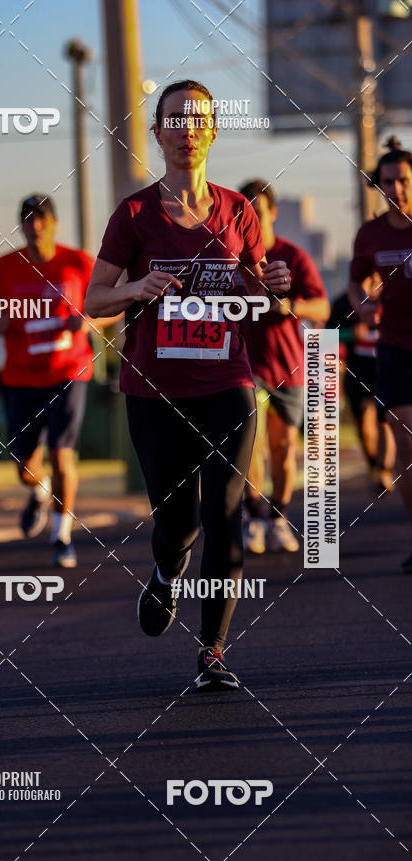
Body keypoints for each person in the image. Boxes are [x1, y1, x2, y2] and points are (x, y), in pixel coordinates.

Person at [85, 80, 291, 690]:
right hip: (154, 390)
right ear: (158, 132)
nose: (186, 128)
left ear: (212, 130)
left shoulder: (238, 212)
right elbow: (92, 298)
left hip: (228, 382)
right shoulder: (135, 214)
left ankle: (213, 652)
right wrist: (133, 289)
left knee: (224, 511)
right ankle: (167, 573)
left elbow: (259, 300)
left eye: (198, 117)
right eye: (174, 118)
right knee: (179, 524)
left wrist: (273, 286)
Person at [0, 193, 100, 568]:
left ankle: (61, 535)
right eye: (27, 218)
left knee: (62, 455)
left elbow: (112, 303)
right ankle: (39, 491)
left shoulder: (76, 263)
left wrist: (89, 321)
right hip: (21, 377)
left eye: (41, 217)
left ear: (54, 222)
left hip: (69, 371)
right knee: (26, 467)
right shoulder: (4, 267)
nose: (34, 225)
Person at [237, 180, 330, 554]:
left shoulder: (293, 255)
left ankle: (278, 518)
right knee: (251, 444)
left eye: (259, 213)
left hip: (288, 367)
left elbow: (322, 309)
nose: (255, 221)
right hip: (245, 366)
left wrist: (288, 305)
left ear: (272, 213)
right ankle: (255, 515)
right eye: (247, 215)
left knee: (282, 446)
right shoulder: (232, 257)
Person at [349, 136, 412, 574]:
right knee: (405, 441)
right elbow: (356, 283)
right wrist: (363, 305)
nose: (398, 189)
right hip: (395, 348)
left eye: (405, 181)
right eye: (389, 182)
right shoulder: (369, 234)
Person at [327, 288, 394, 494]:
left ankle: (384, 471)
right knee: (364, 427)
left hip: (388, 369)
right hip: (357, 371)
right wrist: (349, 334)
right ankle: (375, 465)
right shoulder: (344, 302)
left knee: (384, 421)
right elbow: (328, 332)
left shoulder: (393, 296)